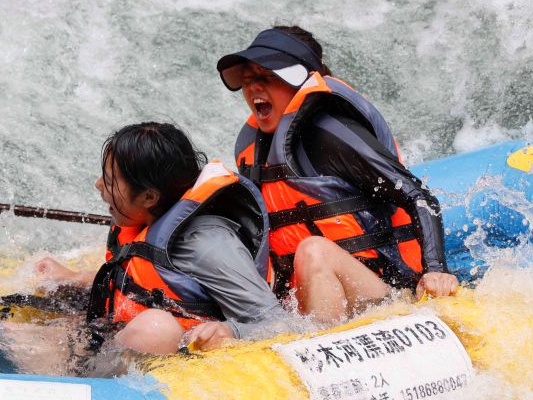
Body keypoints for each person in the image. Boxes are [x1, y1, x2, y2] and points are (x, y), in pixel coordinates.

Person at [216, 26, 459, 324]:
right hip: (309, 302)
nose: (253, 88)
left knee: (314, 251)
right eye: (248, 79)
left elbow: (418, 196)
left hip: (385, 294)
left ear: (299, 81)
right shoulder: (253, 148)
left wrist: (436, 268)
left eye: (267, 77)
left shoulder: (332, 133)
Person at [35, 122, 287, 356]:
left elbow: (279, 324)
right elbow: (148, 285)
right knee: (12, 331)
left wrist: (231, 332)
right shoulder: (145, 218)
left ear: (148, 197)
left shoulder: (205, 243)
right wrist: (73, 279)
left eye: (110, 181)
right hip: (117, 336)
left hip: (177, 365)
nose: (98, 185)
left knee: (156, 327)